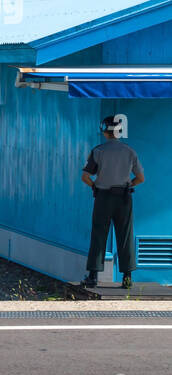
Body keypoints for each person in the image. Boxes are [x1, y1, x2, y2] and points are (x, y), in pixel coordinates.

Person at [82, 115, 144, 288]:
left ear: (104, 131)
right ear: (119, 131)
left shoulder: (98, 151)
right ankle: (127, 277)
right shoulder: (130, 151)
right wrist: (128, 184)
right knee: (125, 235)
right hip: (124, 197)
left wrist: (95, 186)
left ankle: (93, 276)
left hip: (103, 196)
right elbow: (140, 178)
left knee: (99, 234)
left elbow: (85, 176)